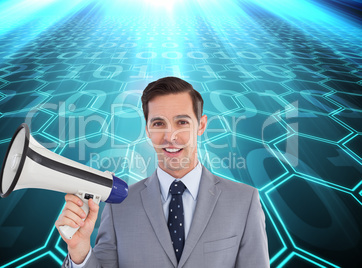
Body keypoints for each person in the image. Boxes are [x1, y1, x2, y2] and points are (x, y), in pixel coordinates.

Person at [56, 77, 270, 268]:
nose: (170, 136)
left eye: (182, 122)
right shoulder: (118, 206)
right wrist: (80, 250)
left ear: (201, 125)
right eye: (159, 123)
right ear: (148, 129)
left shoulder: (244, 201)